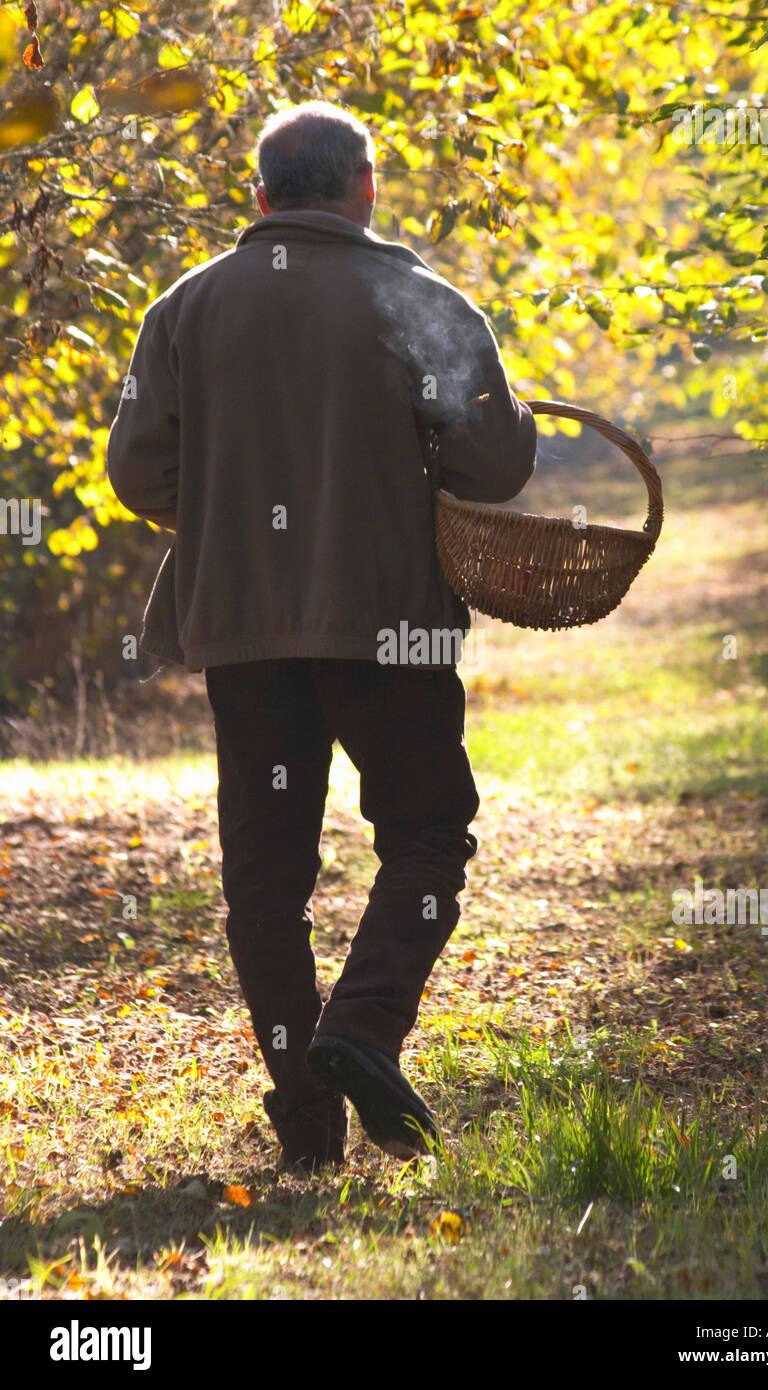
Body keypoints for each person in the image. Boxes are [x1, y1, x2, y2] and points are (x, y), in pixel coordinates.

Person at [106, 100, 536, 1174]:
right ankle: (364, 1025)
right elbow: (493, 465)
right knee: (428, 832)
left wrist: (231, 508)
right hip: (387, 619)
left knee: (265, 879)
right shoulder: (417, 298)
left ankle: (306, 1118)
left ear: (258, 195)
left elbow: (136, 471)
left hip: (244, 626)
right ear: (364, 187)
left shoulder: (183, 309)